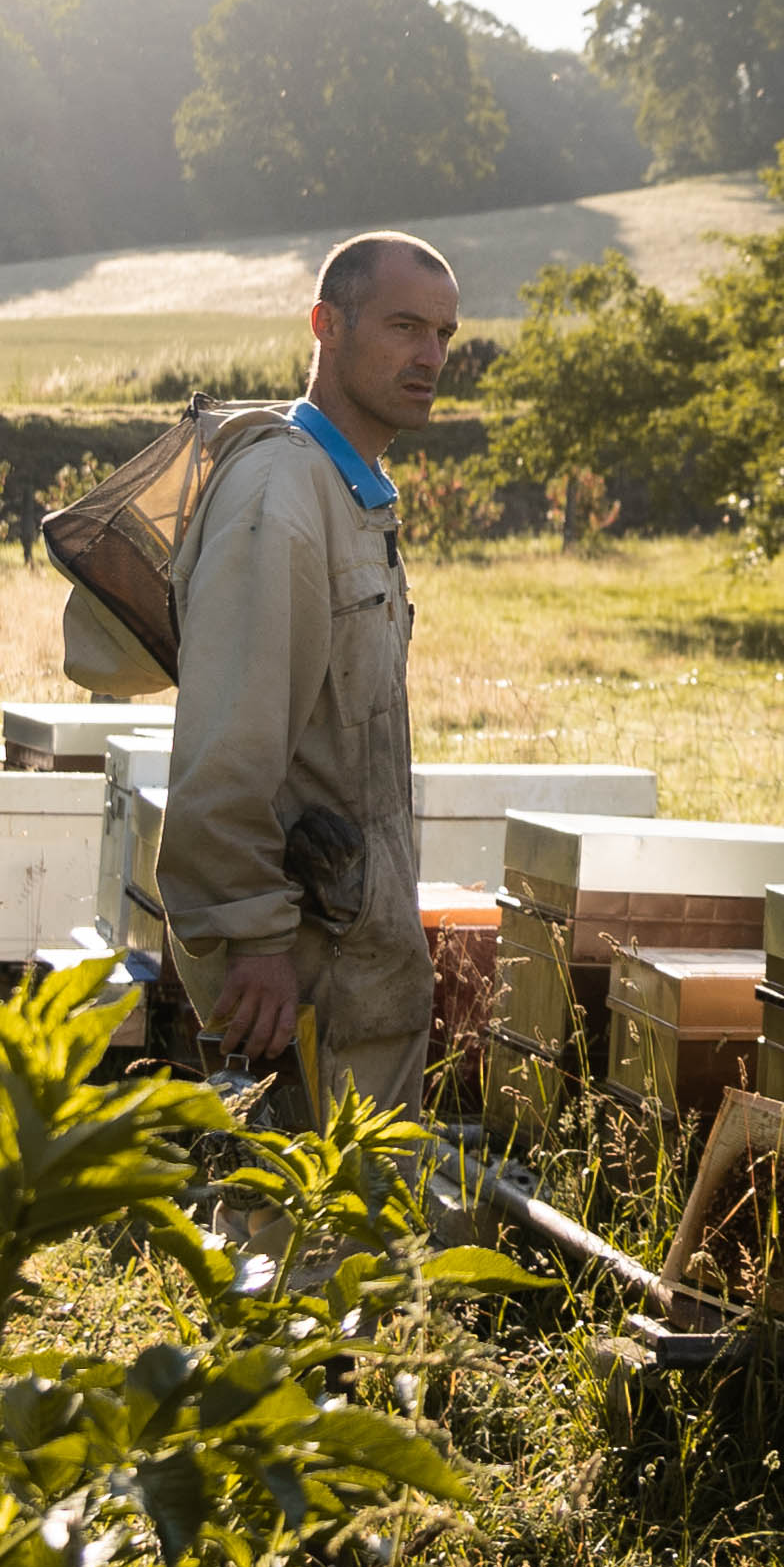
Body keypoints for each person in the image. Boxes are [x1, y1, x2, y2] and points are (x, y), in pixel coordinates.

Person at [160, 229, 463, 1093]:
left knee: (353, 1215)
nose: (430, 356)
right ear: (326, 323)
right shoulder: (280, 496)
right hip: (297, 967)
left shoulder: (346, 488)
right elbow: (228, 742)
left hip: (354, 960)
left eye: (444, 335)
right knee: (293, 1217)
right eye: (405, 327)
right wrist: (251, 935)